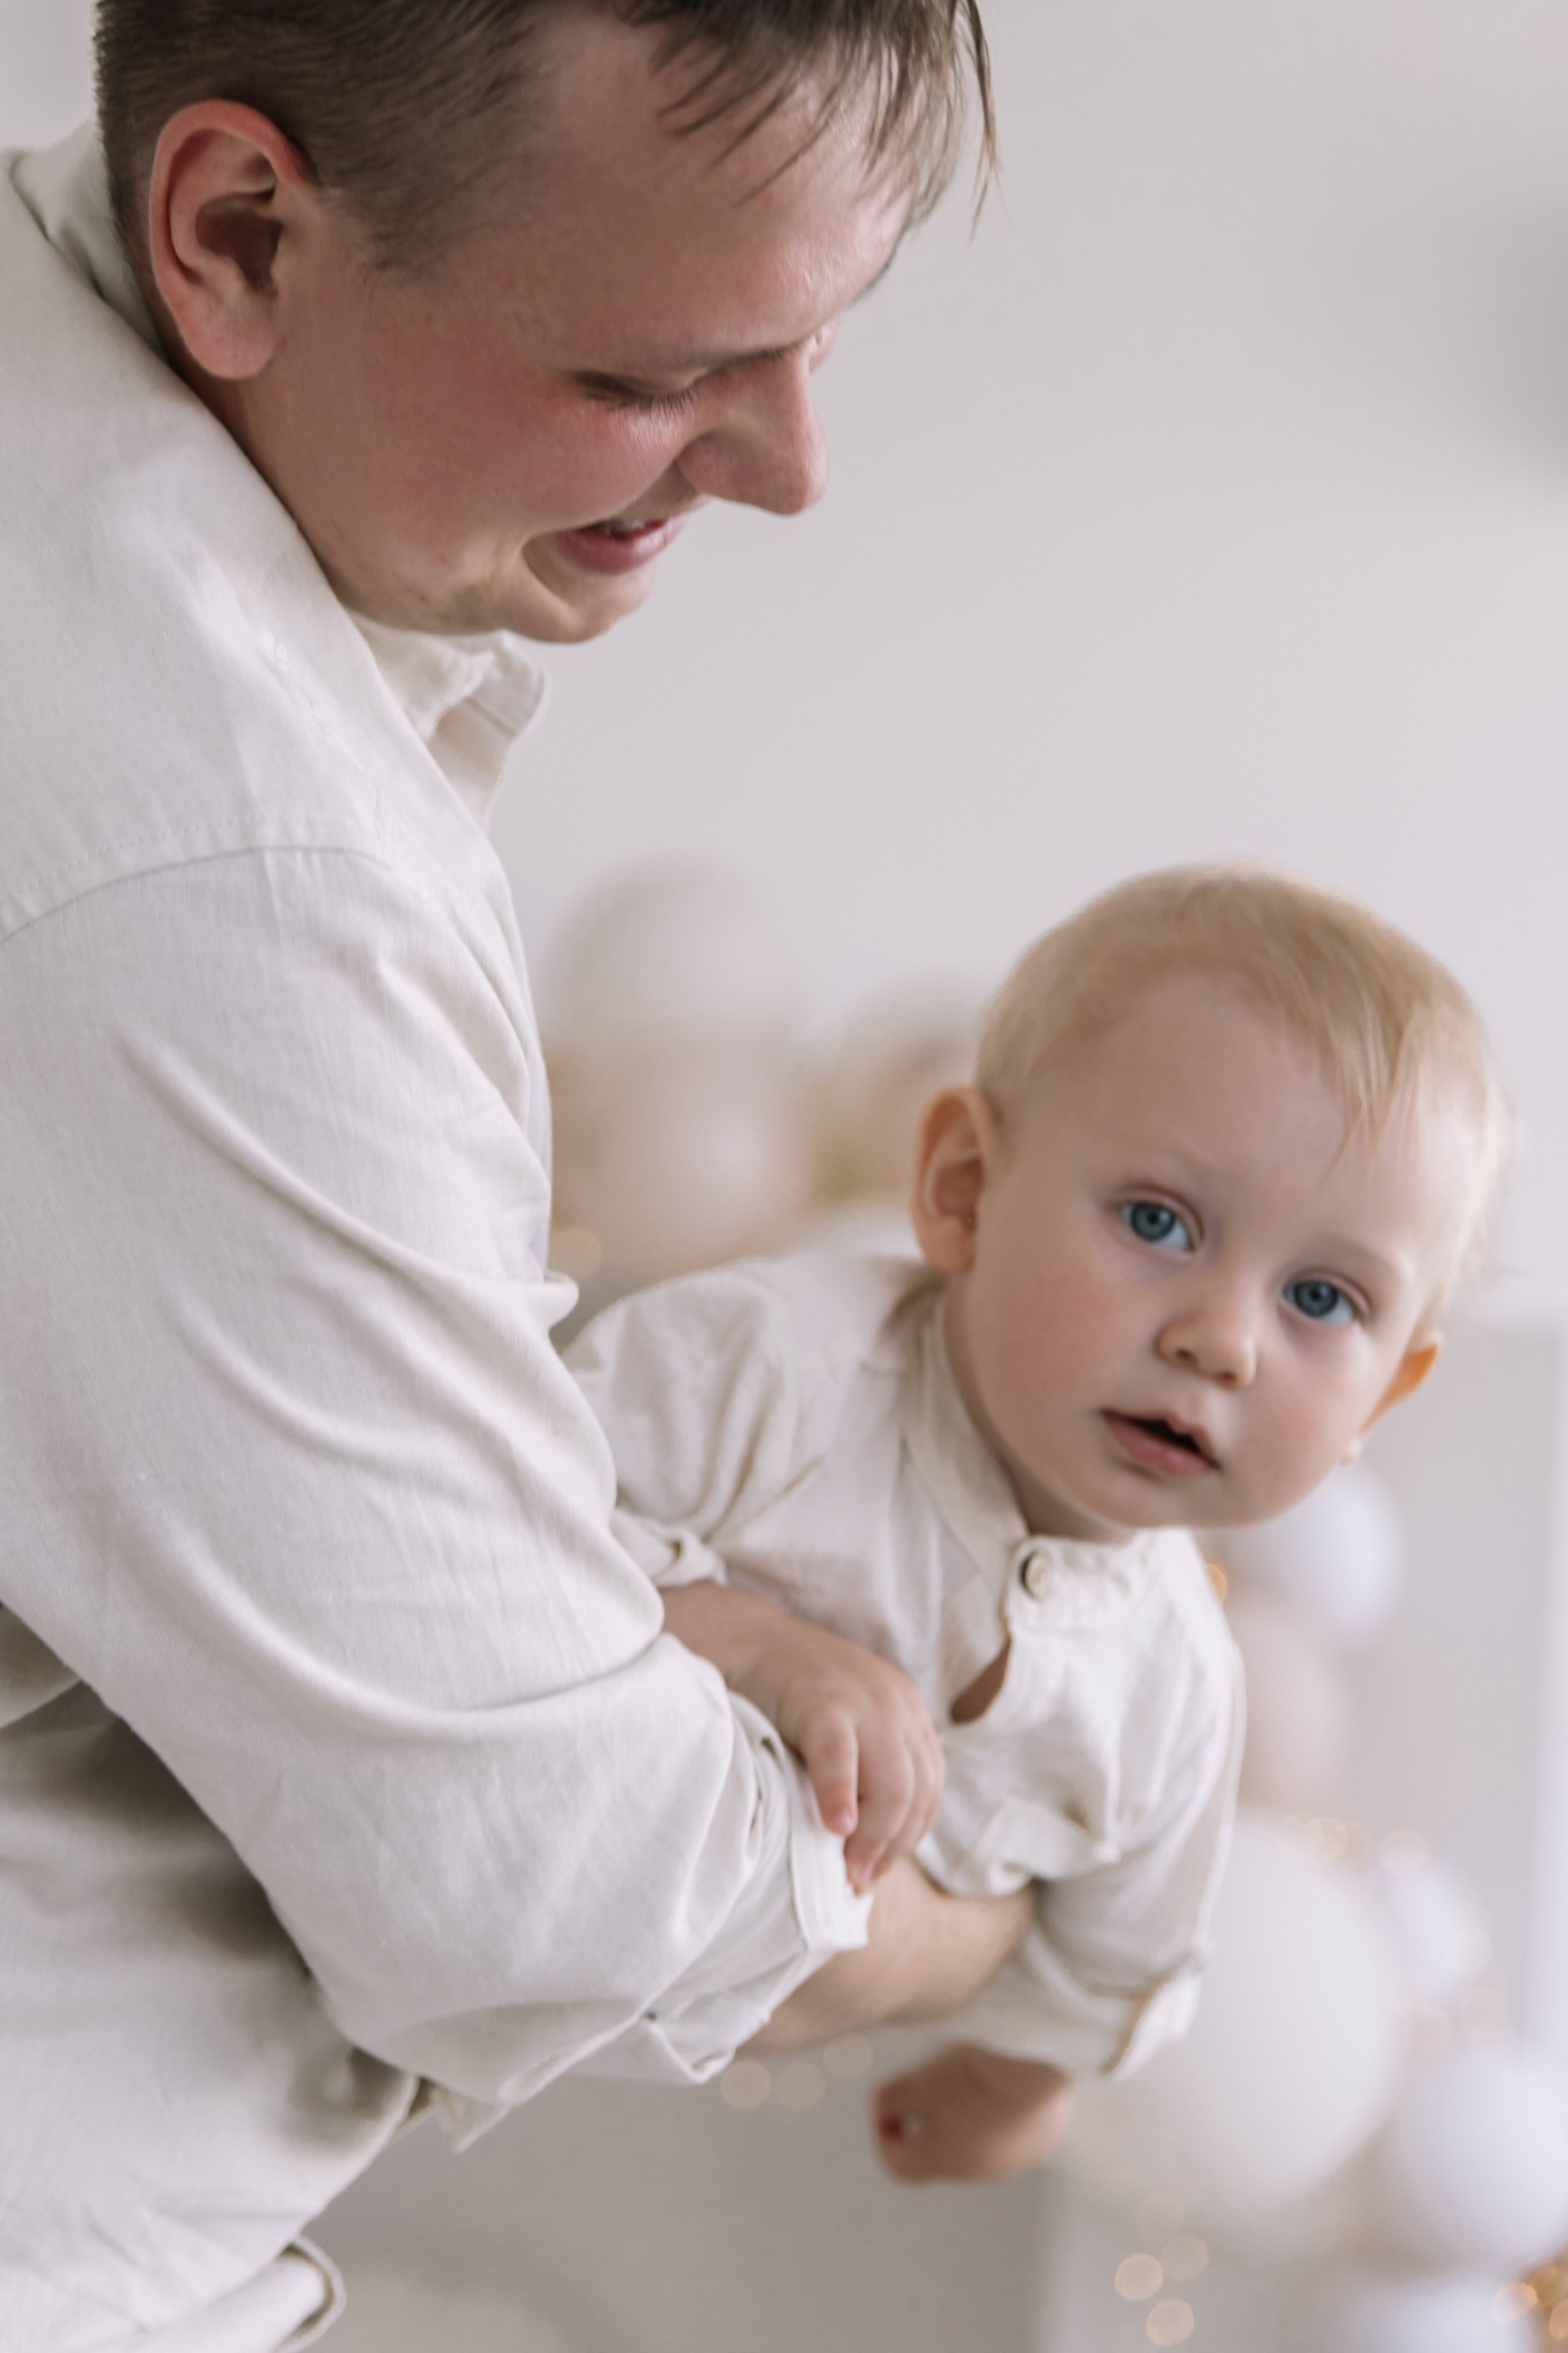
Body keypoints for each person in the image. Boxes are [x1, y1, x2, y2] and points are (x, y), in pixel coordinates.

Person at [0, 7, 1022, 2349]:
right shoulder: (211, 864)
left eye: (823, 341)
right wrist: (1065, 1911)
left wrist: (649, 1605)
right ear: (239, 229)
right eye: (669, 371)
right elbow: (548, 1883)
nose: (791, 468)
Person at [570, 863, 1510, 2181]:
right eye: (1155, 1220)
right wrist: (751, 1642)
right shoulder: (767, 1366)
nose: (1223, 1339)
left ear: (1385, 1394)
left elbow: (1116, 1958)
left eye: (1320, 1299)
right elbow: (490, 1556)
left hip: (631, 2071)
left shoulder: (1177, 1682)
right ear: (961, 1185)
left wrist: (1007, 2088)